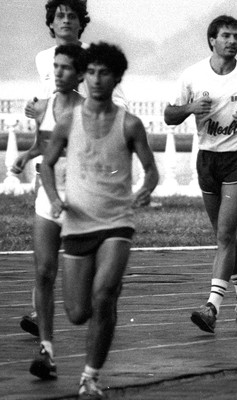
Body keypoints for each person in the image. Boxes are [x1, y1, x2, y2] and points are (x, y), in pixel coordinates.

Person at [41, 42, 158, 398]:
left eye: (103, 72)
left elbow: (151, 170)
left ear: (116, 77)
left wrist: (144, 190)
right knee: (78, 313)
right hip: (77, 225)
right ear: (83, 75)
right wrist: (56, 199)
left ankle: (89, 378)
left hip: (116, 224)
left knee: (104, 295)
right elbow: (46, 164)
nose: (95, 79)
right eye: (90, 72)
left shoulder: (130, 124)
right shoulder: (67, 121)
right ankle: (103, 317)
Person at [20, 0, 127, 337]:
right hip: (53, 163)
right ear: (51, 24)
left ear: (82, 23)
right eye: (59, 16)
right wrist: (36, 109)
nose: (65, 20)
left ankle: (105, 299)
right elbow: (49, 104)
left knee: (85, 244)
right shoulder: (42, 60)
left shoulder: (94, 61)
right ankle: (41, 316)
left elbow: (120, 103)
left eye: (71, 15)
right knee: (46, 254)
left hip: (88, 167)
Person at [164, 15, 237, 334]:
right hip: (208, 158)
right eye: (226, 35)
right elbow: (170, 115)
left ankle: (212, 306)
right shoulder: (192, 75)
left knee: (226, 234)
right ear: (212, 40)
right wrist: (190, 109)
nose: (232, 41)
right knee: (223, 236)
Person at [11, 44, 86, 380]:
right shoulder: (43, 107)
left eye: (66, 68)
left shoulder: (92, 111)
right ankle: (46, 350)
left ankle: (92, 356)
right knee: (43, 272)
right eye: (55, 67)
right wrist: (26, 157)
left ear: (80, 75)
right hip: (49, 195)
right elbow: (44, 146)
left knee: (79, 298)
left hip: (82, 202)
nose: (57, 73)